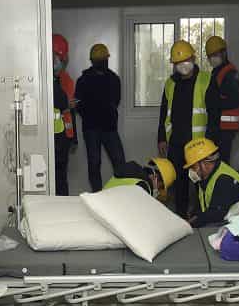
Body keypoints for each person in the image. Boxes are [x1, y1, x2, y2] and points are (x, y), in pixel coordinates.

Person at [156, 39, 209, 216]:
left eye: (185, 61)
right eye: (178, 63)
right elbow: (164, 112)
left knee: (199, 181)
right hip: (176, 141)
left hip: (198, 144)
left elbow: (214, 114)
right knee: (179, 182)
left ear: (194, 58)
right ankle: (180, 215)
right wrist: (162, 138)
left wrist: (211, 140)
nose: (182, 65)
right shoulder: (170, 83)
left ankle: (200, 215)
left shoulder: (205, 80)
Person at [72, 42, 128, 192]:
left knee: (120, 162)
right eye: (100, 60)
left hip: (109, 128)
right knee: (94, 163)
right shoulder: (83, 80)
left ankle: (122, 194)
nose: (103, 62)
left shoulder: (114, 79)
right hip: (91, 129)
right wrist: (89, 114)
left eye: (104, 59)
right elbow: (77, 103)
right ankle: (98, 196)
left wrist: (98, 109)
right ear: (92, 61)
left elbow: (115, 101)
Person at [185, 137, 239, 226]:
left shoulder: (224, 179)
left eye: (193, 167)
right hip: (232, 221)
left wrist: (192, 222)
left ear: (204, 164)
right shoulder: (206, 178)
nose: (192, 171)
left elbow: (216, 214)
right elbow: (204, 207)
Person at [203, 35, 239, 164]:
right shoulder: (217, 71)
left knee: (220, 164)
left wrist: (214, 102)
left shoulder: (230, 73)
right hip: (216, 127)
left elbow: (234, 100)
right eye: (210, 56)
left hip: (224, 129)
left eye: (215, 54)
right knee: (212, 163)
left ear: (224, 53)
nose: (212, 58)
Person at [50, 33, 76, 195]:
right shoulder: (45, 80)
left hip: (62, 138)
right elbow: (59, 101)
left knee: (60, 179)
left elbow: (69, 115)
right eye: (59, 58)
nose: (60, 62)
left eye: (62, 59)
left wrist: (73, 138)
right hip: (49, 138)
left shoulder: (66, 80)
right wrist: (66, 103)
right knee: (52, 181)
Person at [105, 157, 176, 202]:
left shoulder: (134, 173)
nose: (158, 192)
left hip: (101, 203)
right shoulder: (143, 186)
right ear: (155, 177)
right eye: (160, 187)